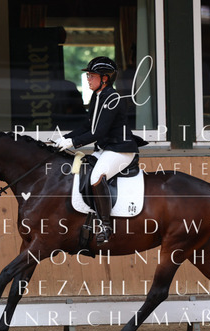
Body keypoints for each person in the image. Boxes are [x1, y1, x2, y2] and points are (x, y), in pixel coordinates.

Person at [52, 56, 143, 245]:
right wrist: (66, 137)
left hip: (120, 150)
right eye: (88, 75)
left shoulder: (113, 98)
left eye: (92, 76)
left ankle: (106, 226)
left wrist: (73, 142)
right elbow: (87, 125)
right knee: (81, 172)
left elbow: (98, 132)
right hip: (105, 149)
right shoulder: (97, 96)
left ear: (105, 78)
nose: (88, 79)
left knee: (96, 177)